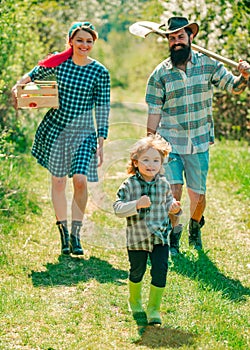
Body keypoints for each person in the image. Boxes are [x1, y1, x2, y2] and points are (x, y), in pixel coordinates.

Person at [145, 16, 250, 256]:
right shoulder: (160, 74)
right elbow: (154, 112)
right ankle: (174, 237)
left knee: (198, 196)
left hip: (200, 140)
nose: (176, 42)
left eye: (180, 36)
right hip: (169, 142)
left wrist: (244, 76)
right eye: (172, 38)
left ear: (191, 37)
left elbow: (233, 87)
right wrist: (150, 143)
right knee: (174, 193)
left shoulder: (208, 65)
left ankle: (195, 226)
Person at [12, 21, 110, 256]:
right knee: (58, 182)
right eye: (80, 40)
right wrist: (19, 85)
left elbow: (103, 107)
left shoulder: (99, 71)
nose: (84, 45)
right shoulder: (59, 64)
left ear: (93, 43)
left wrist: (101, 140)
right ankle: (64, 234)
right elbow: (33, 74)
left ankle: (77, 233)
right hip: (56, 130)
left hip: (84, 133)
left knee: (79, 180)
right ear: (71, 42)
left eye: (89, 41)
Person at [113, 134, 182, 325]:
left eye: (155, 160)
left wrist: (174, 207)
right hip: (138, 238)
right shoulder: (129, 184)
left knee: (160, 270)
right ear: (135, 162)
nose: (150, 164)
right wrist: (136, 204)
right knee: (137, 271)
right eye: (145, 160)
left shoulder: (163, 184)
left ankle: (153, 309)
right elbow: (117, 208)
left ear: (161, 163)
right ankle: (134, 301)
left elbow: (167, 202)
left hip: (160, 237)